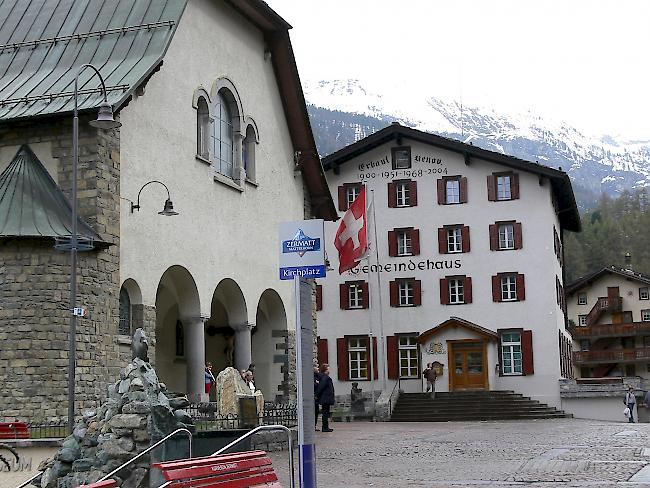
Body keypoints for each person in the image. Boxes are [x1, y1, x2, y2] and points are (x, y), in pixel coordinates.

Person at [315, 363, 335, 432]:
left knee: (326, 412)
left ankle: (326, 427)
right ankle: (325, 427)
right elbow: (321, 387)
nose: (329, 370)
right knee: (325, 413)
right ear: (325, 370)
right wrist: (316, 395)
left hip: (326, 397)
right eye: (328, 368)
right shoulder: (325, 377)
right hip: (326, 397)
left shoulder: (324, 377)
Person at [314, 364, 322, 430]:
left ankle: (314, 425)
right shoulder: (312, 377)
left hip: (316, 398)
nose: (318, 369)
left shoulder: (318, 376)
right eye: (317, 367)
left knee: (316, 412)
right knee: (313, 412)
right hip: (313, 397)